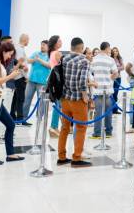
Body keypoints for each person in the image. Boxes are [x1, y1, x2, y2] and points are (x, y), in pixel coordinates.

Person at [57, 37, 93, 168]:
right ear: (81, 48)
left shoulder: (64, 58)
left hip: (65, 99)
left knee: (65, 128)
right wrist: (85, 96)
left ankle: (61, 157)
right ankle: (76, 158)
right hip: (78, 99)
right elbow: (83, 81)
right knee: (81, 128)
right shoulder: (84, 60)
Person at [90, 42, 119, 138]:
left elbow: (89, 73)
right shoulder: (110, 60)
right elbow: (116, 73)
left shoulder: (94, 59)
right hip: (108, 89)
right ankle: (109, 132)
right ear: (107, 48)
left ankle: (97, 133)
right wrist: (110, 79)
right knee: (108, 112)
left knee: (98, 112)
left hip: (97, 89)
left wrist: (93, 81)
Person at [23, 40, 51, 123]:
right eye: (41, 45)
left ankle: (39, 118)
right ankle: (24, 118)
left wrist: (39, 60)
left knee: (42, 101)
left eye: (44, 45)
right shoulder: (36, 53)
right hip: (31, 80)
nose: (42, 46)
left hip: (42, 82)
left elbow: (49, 65)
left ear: (48, 47)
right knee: (26, 99)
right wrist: (34, 59)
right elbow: (28, 61)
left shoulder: (49, 56)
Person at [11, 34, 30, 122]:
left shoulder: (19, 49)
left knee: (16, 97)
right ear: (25, 40)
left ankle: (12, 115)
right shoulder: (19, 49)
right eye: (28, 40)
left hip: (19, 76)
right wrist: (26, 76)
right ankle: (19, 118)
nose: (28, 42)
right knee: (21, 98)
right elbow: (20, 64)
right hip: (20, 76)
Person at [47, 35, 63, 138]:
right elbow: (61, 67)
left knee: (58, 105)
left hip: (53, 80)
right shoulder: (57, 53)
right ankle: (53, 127)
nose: (61, 42)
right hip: (57, 81)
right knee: (58, 105)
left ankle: (55, 127)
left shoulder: (52, 53)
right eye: (59, 40)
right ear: (56, 43)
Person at [111, 47, 124, 114]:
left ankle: (115, 110)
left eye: (116, 51)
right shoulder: (110, 59)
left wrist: (115, 69)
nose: (115, 52)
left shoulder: (119, 59)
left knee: (116, 94)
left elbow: (123, 67)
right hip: (112, 78)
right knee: (112, 94)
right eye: (114, 51)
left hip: (118, 78)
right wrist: (117, 69)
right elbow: (110, 69)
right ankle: (111, 110)